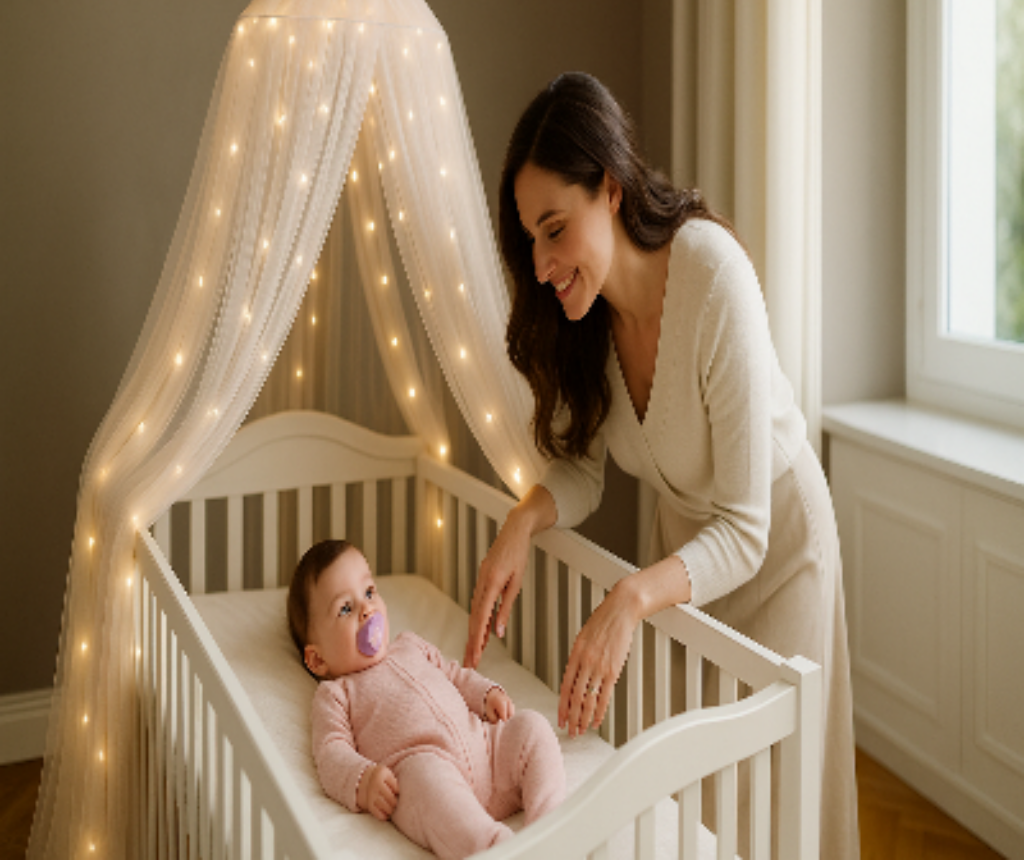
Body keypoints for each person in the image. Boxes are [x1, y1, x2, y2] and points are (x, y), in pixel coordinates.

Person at [463, 72, 859, 859]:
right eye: (530, 240)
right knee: (691, 795)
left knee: (768, 795)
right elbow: (582, 470)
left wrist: (630, 596)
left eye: (555, 229)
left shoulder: (712, 279)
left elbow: (743, 530)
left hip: (776, 545)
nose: (542, 264)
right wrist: (522, 520)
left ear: (609, 189)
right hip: (685, 564)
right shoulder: (591, 320)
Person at [288, 539, 566, 860]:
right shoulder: (336, 693)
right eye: (345, 609)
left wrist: (486, 692)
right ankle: (499, 849)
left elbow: (455, 675)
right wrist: (363, 781)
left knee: (531, 727)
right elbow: (331, 752)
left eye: (369, 592)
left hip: (485, 749)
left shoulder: (410, 645)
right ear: (317, 660)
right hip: (427, 772)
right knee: (428, 785)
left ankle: (550, 830)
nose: (367, 610)